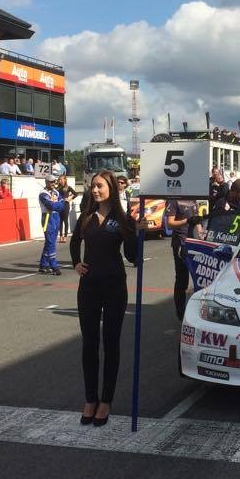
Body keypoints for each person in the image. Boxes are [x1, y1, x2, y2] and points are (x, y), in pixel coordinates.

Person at [70, 170, 139, 427]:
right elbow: (75, 242)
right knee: (89, 344)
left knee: (111, 344)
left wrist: (136, 232)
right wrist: (76, 263)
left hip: (114, 287)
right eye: (93, 186)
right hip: (88, 287)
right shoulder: (86, 216)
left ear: (111, 188)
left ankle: (106, 400)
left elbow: (133, 256)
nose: (95, 190)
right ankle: (90, 399)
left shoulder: (122, 219)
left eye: (99, 186)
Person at [166, 197, 201, 320]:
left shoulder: (193, 199)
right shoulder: (174, 200)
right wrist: (187, 220)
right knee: (182, 279)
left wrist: (201, 232)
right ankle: (181, 313)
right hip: (181, 242)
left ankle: (199, 313)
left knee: (199, 279)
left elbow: (197, 221)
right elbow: (170, 223)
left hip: (194, 242)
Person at [38, 177, 71, 275]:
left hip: (56, 217)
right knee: (51, 243)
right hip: (47, 218)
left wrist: (56, 203)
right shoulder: (43, 194)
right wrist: (57, 203)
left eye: (54, 181)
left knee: (50, 242)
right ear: (46, 182)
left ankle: (43, 265)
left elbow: (63, 205)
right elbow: (51, 206)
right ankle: (54, 266)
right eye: (51, 182)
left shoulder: (56, 192)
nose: (53, 183)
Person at [57, 174, 78, 243]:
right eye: (59, 179)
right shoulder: (57, 188)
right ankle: (61, 236)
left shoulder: (68, 187)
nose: (60, 181)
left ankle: (65, 236)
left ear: (65, 180)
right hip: (59, 205)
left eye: (61, 179)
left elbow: (76, 194)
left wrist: (69, 199)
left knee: (65, 220)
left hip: (66, 205)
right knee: (60, 221)